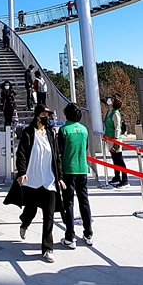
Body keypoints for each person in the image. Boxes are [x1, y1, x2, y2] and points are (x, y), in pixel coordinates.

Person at [16, 104, 65, 263]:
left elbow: (57, 155)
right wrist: (22, 172)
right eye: (44, 114)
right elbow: (21, 153)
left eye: (48, 114)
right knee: (31, 210)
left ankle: (47, 248)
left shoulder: (51, 133)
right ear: (37, 115)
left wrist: (60, 176)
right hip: (32, 179)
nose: (47, 117)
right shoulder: (28, 133)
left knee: (49, 215)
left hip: (49, 180)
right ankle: (25, 222)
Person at [58, 103, 93, 248]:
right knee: (84, 201)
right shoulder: (84, 130)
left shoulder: (64, 130)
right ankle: (88, 233)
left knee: (69, 203)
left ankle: (70, 237)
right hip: (82, 169)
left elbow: (60, 150)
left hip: (68, 170)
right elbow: (85, 147)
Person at [104, 98, 128, 187]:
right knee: (114, 159)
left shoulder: (115, 114)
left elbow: (117, 127)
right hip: (109, 138)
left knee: (119, 159)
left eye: (112, 101)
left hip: (115, 139)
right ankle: (117, 176)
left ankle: (125, 179)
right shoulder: (109, 112)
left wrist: (116, 140)